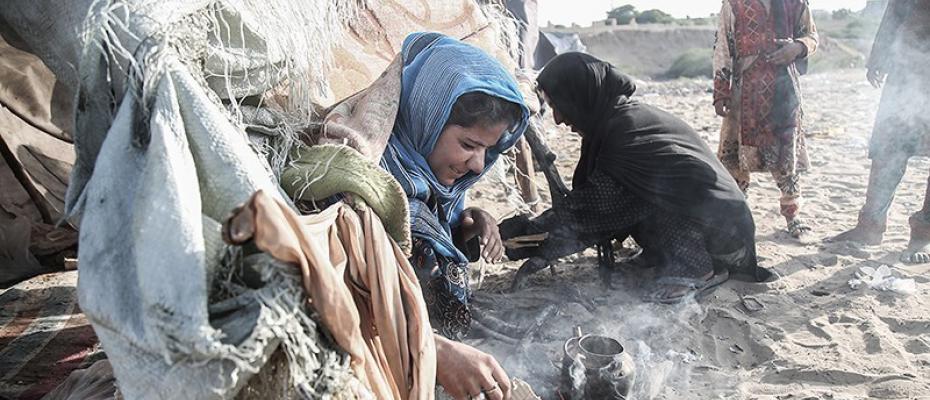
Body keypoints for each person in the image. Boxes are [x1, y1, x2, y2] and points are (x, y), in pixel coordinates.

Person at [500, 52, 768, 304]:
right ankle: (662, 257)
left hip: (724, 236)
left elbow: (592, 209)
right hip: (711, 225)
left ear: (580, 96)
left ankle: (695, 269)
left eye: (560, 106)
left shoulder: (626, 132)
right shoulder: (615, 121)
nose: (558, 119)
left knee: (640, 196)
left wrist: (525, 236)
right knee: (634, 197)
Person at [382, 32, 530, 399]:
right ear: (426, 115)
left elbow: (435, 234)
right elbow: (344, 300)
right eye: (469, 145)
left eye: (488, 150)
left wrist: (472, 222)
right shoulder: (372, 185)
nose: (478, 164)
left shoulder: (437, 180)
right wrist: (433, 349)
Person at [832, 0, 930, 264]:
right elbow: (896, 10)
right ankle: (870, 226)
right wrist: (879, 56)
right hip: (906, 65)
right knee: (888, 147)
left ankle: (922, 235)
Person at [712, 0, 819, 239]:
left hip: (784, 90)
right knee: (736, 160)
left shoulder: (796, 2)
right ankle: (738, 217)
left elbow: (812, 36)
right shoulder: (734, 3)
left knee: (785, 155)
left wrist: (797, 48)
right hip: (743, 91)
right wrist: (721, 91)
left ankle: (792, 215)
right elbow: (722, 47)